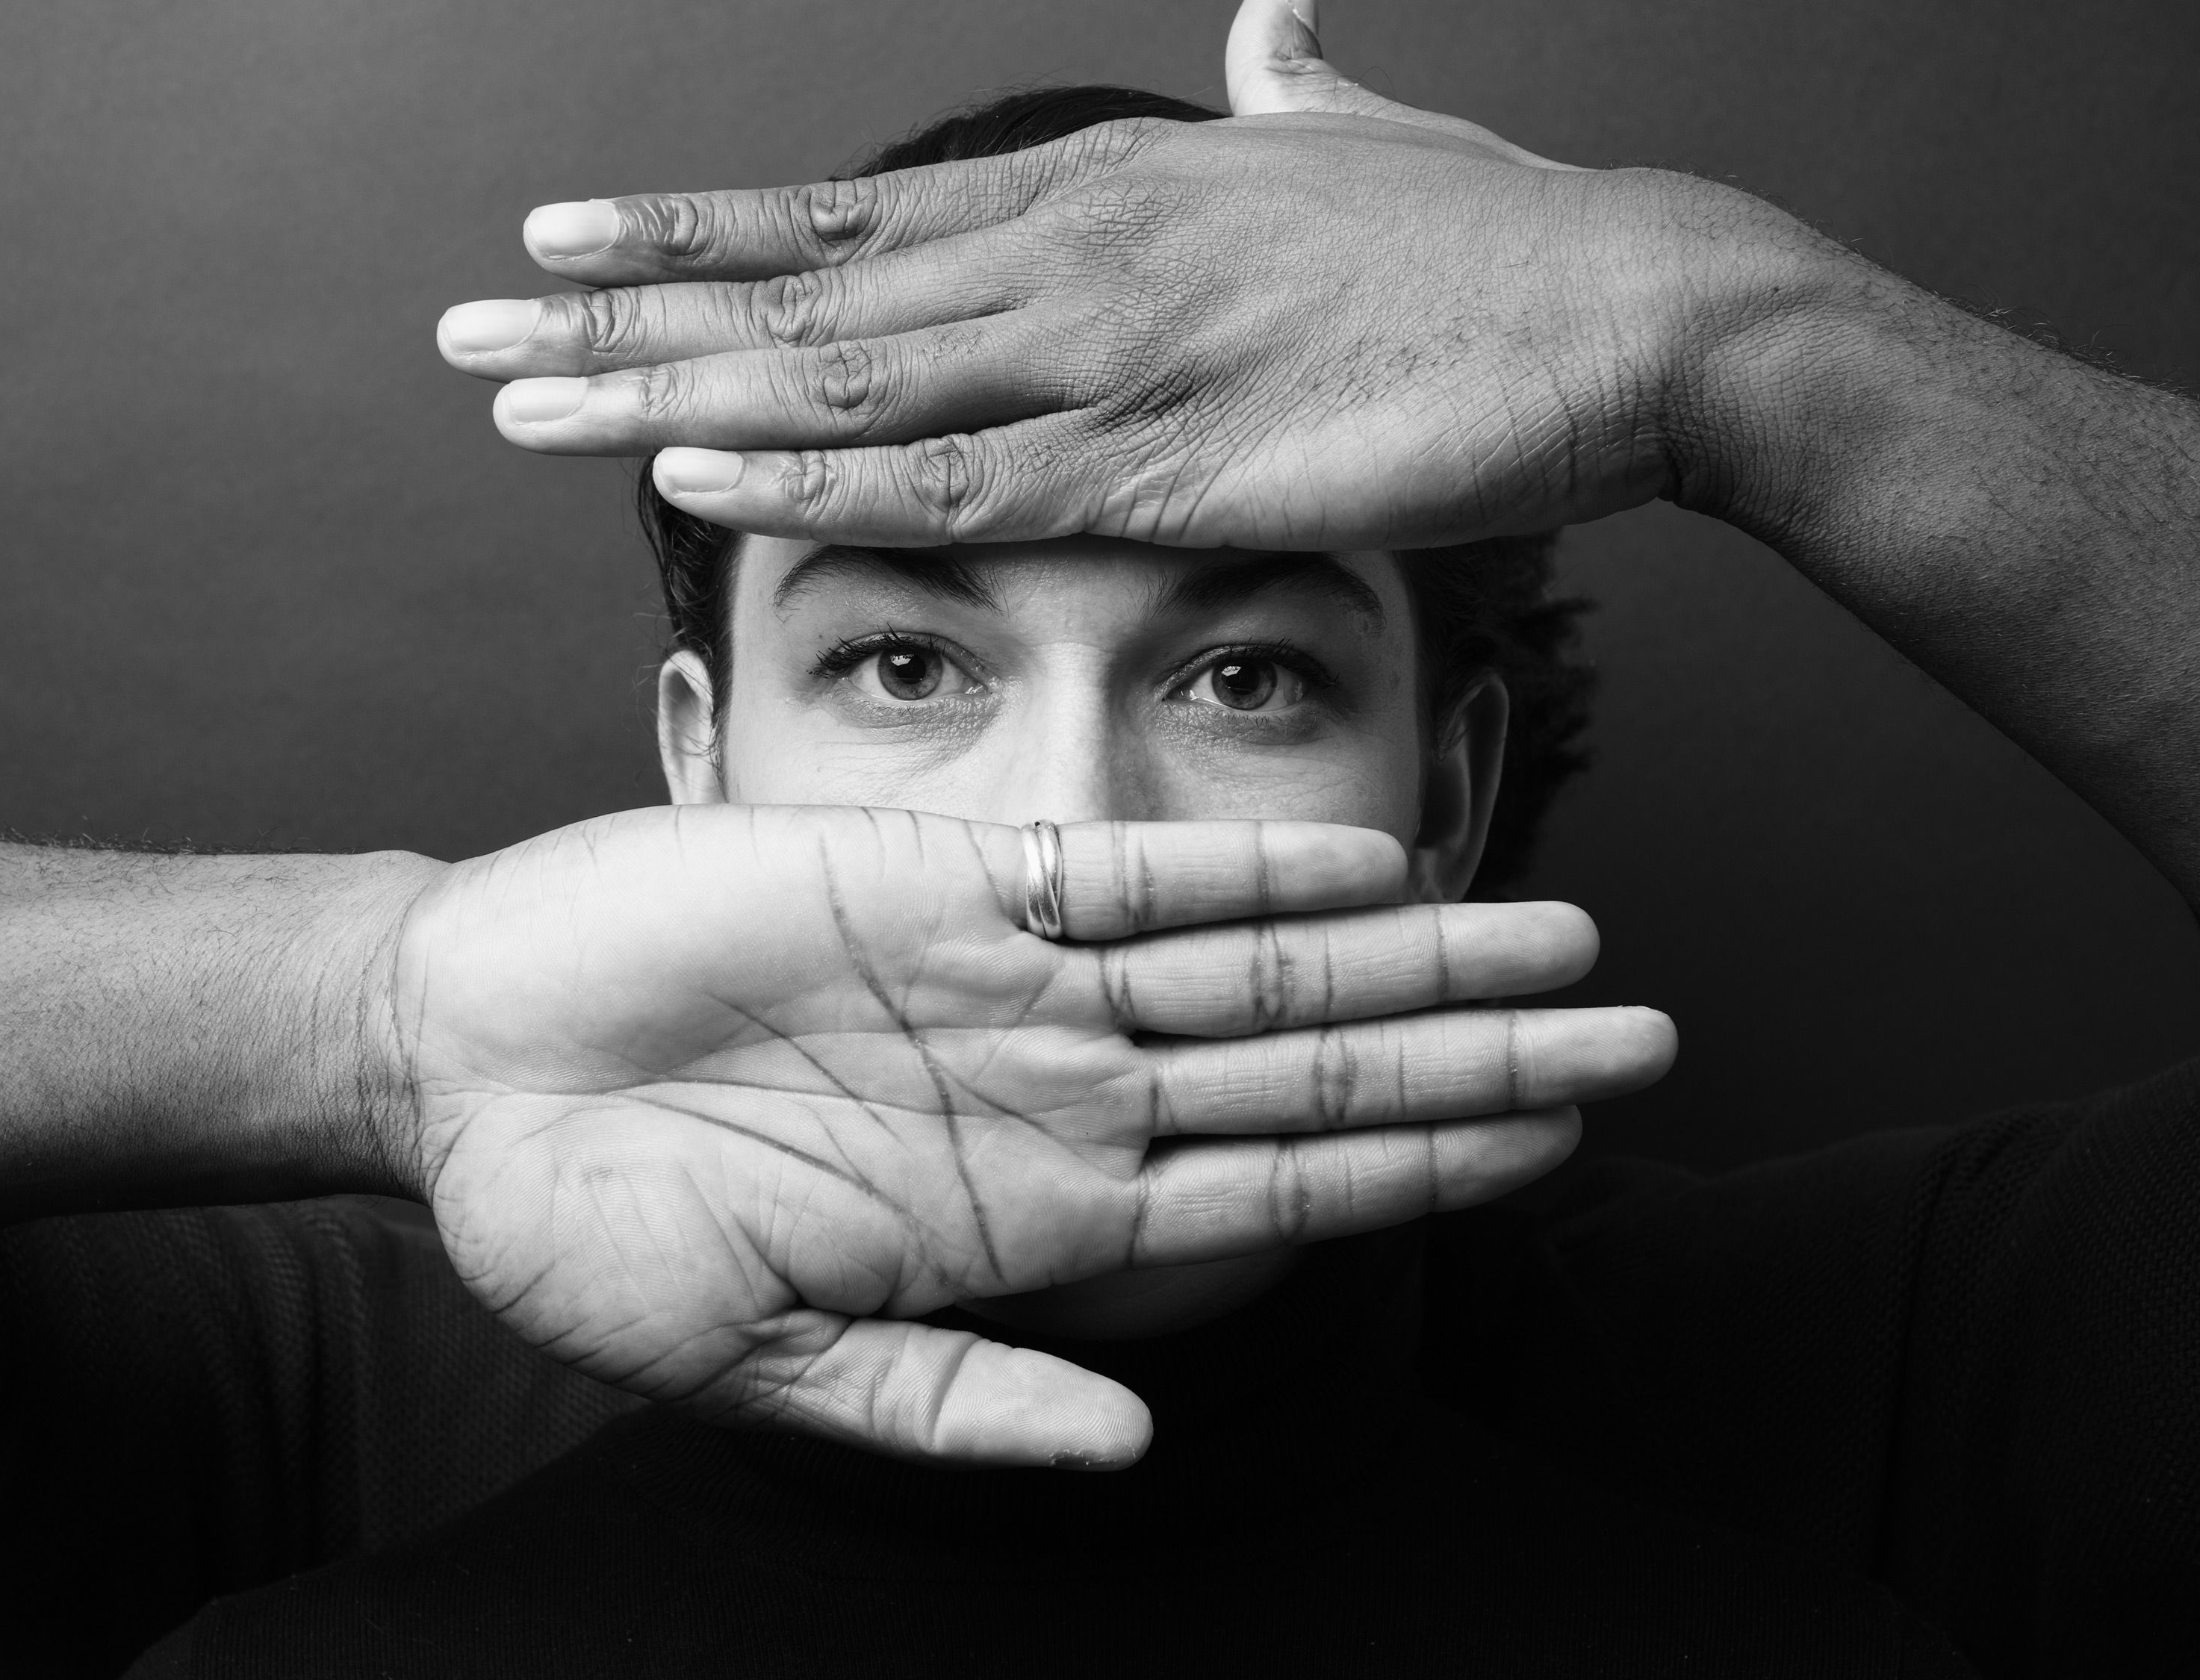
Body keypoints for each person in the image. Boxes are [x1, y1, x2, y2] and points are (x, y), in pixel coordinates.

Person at [419, 1, 2200, 1673]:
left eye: (1245, 679)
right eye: (905, 667)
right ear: (703, 760)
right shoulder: (360, 1409)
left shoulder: (1877, 1393)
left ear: (1446, 797)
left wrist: (1730, 337)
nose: (1068, 843)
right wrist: (366, 1012)